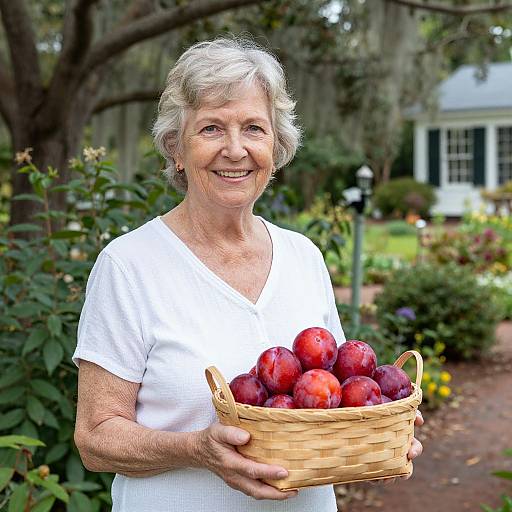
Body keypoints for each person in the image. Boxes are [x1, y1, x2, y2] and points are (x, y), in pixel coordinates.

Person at [73, 37, 423, 512]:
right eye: (212, 128)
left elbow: (336, 401)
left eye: (254, 128)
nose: (234, 150)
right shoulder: (130, 265)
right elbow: (95, 438)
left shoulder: (303, 257)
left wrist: (380, 427)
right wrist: (198, 449)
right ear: (177, 147)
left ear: (275, 147)